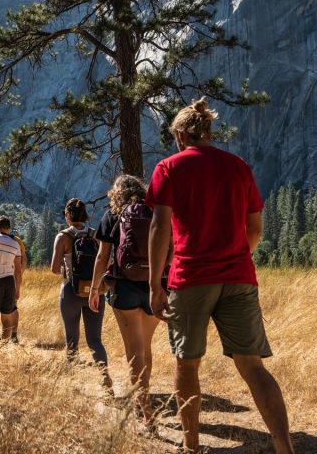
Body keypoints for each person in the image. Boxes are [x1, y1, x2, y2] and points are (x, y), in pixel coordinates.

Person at [146, 97, 293, 454]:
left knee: (188, 363)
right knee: (252, 366)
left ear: (181, 135)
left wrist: (154, 283)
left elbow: (159, 226)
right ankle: (284, 448)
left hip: (191, 277)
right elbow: (255, 227)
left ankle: (191, 444)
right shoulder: (238, 167)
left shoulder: (169, 168)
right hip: (239, 276)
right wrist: (236, 255)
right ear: (209, 133)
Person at [88, 175, 160, 423]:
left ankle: (144, 411)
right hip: (154, 287)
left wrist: (94, 288)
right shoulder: (155, 212)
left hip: (124, 288)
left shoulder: (112, 215)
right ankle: (145, 400)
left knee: (134, 351)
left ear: (116, 193)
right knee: (146, 347)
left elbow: (102, 256)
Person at [50, 198, 108, 374]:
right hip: (95, 291)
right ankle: (105, 377)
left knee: (72, 339)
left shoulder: (63, 236)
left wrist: (69, 269)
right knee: (95, 340)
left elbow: (54, 269)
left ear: (67, 215)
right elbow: (104, 261)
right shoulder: (95, 235)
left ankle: (72, 380)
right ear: (84, 215)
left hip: (70, 292)